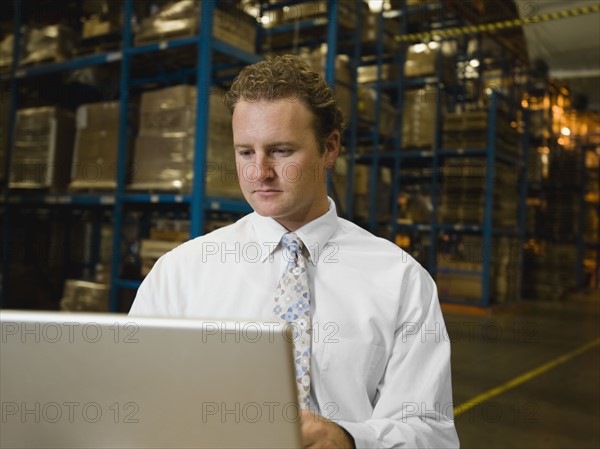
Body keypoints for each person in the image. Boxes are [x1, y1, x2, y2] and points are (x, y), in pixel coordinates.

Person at [129, 55, 459, 448]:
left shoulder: (400, 279)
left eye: (281, 151)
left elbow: (430, 433)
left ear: (330, 148)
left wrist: (350, 440)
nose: (259, 172)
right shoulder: (180, 274)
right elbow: (136, 405)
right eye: (245, 152)